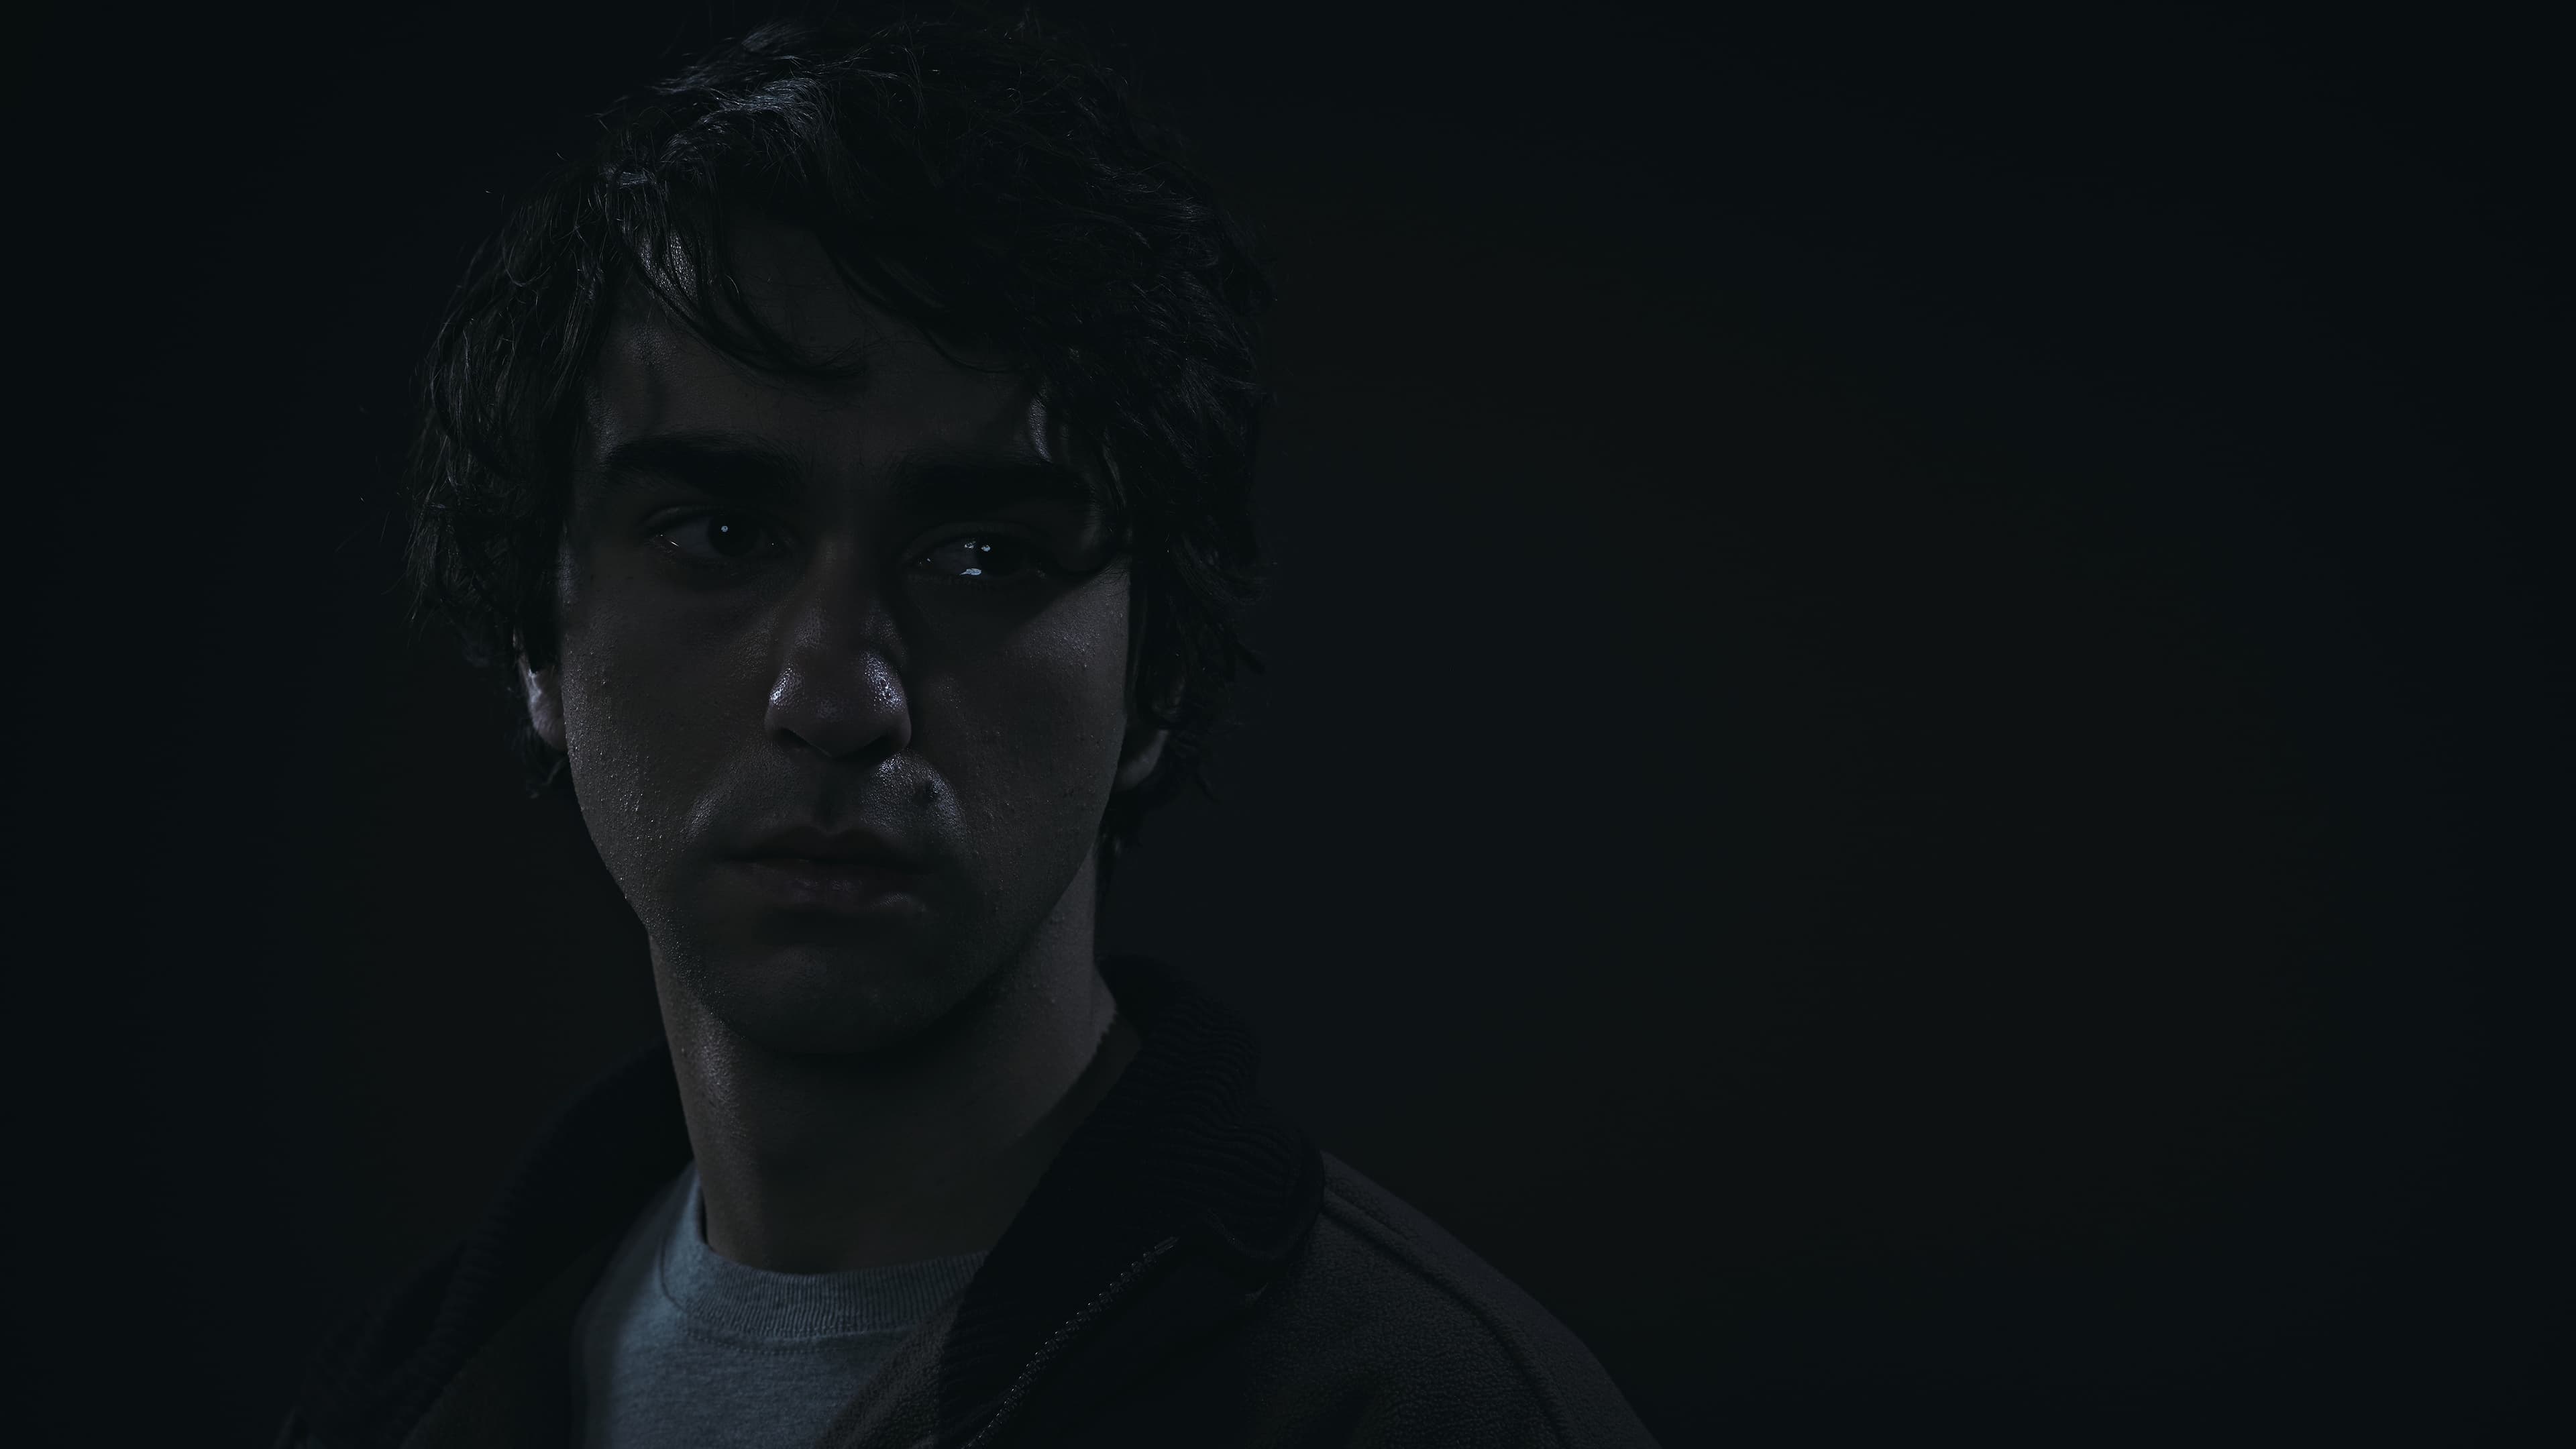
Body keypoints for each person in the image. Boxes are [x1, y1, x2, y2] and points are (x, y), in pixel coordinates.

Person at [276, 11, 1658, 1447]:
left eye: (985, 556)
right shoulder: (396, 1405)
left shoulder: (1429, 1417)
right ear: (536, 642)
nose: (836, 700)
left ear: (1157, 676)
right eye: (721, 533)